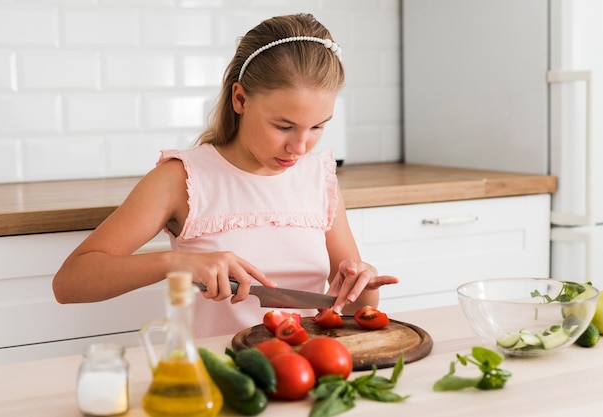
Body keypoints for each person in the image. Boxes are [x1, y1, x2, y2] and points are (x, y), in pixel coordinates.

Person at [52, 13, 399, 337]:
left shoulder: (319, 179)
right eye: (283, 126)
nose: (300, 146)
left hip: (309, 371)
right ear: (240, 99)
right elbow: (69, 283)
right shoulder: (182, 179)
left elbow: (350, 311)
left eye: (318, 127)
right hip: (219, 380)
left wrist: (362, 286)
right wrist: (177, 263)